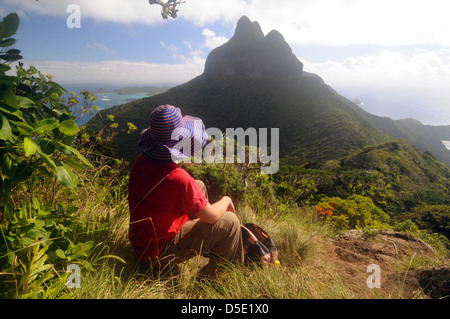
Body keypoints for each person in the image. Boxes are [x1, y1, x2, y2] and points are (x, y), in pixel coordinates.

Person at [128, 104, 244, 277]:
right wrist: (227, 199)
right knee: (230, 222)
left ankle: (204, 244)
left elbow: (166, 175)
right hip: (158, 253)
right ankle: (216, 279)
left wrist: (180, 161)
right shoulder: (180, 180)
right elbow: (212, 216)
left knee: (199, 185)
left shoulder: (142, 159)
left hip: (142, 241)